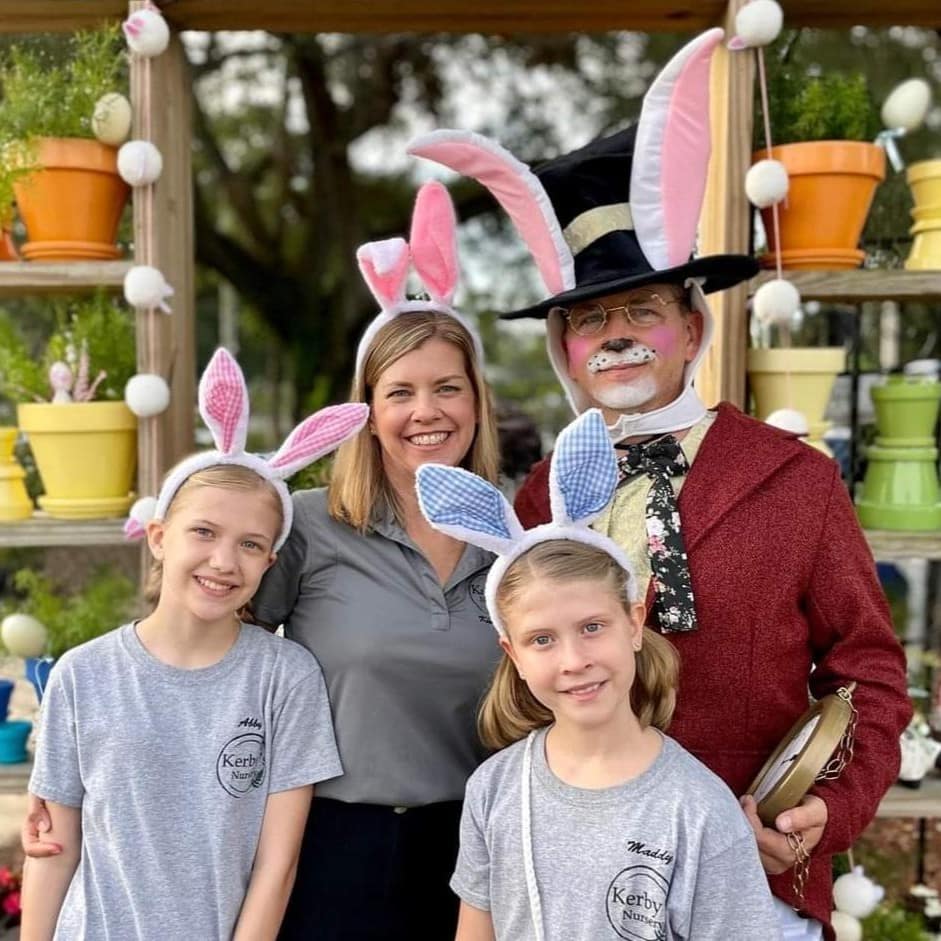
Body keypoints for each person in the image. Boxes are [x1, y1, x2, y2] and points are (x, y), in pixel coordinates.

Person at [408, 28, 911, 941]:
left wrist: (820, 818)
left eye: (642, 308)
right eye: (589, 319)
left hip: (757, 873)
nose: (617, 335)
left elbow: (867, 672)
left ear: (690, 323)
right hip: (575, 889)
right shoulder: (537, 505)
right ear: (562, 349)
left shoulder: (792, 481)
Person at [19, 348, 367, 941]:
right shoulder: (82, 674)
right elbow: (54, 845)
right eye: (203, 532)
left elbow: (275, 867)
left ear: (270, 562)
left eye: (251, 544)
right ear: (158, 538)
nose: (224, 561)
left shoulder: (285, 677)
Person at [415, 408, 780, 940]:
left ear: (634, 624)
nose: (573, 660)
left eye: (592, 627)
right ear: (511, 653)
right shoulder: (495, 790)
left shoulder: (698, 810)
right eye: (542, 639)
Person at [254, 180, 499, 939]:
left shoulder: (516, 538)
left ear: (476, 401)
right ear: (366, 411)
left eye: (447, 388)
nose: (426, 412)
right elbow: (220, 661)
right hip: (330, 844)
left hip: (476, 849)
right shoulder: (306, 525)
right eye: (400, 392)